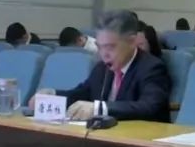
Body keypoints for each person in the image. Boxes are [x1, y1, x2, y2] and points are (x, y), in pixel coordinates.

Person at [30, 10, 171, 122]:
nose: (104, 54)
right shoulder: (102, 68)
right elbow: (81, 93)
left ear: (132, 42)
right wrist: (53, 96)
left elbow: (148, 107)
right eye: (100, 47)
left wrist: (99, 108)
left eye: (110, 47)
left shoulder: (152, 67)